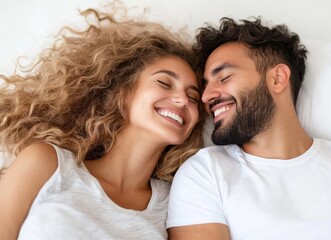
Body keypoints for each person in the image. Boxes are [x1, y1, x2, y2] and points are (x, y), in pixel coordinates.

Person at [166, 17, 331, 240]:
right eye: (206, 85)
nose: (206, 96)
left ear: (277, 78)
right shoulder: (204, 174)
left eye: (224, 77)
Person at [0, 7, 205, 240]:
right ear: (122, 92)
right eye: (165, 83)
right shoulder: (47, 164)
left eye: (193, 97)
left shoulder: (179, 203)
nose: (183, 100)